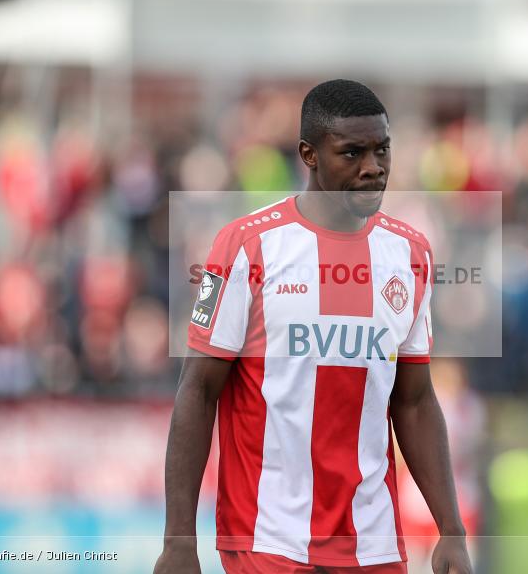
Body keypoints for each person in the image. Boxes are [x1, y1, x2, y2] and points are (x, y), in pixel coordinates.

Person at [154, 80, 472, 574]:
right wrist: (178, 540)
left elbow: (413, 400)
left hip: (373, 544)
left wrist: (451, 528)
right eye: (352, 153)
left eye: (381, 150)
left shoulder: (411, 255)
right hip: (265, 539)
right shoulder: (245, 246)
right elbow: (197, 391)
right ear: (310, 155)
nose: (374, 167)